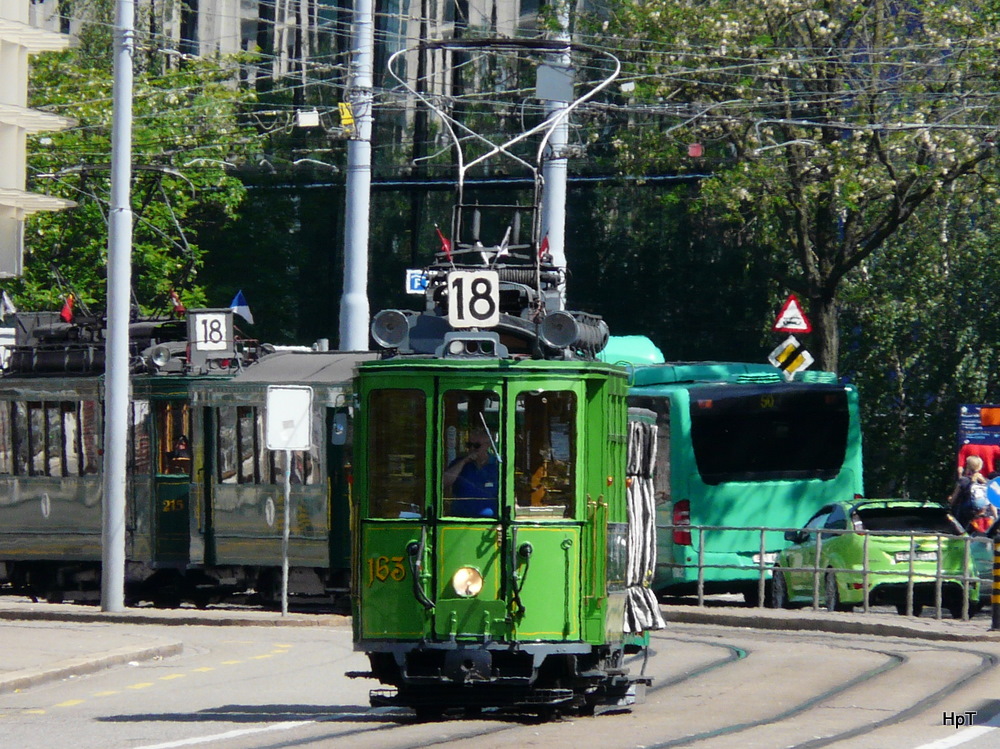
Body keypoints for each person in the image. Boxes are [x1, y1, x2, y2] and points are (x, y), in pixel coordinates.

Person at [443, 428, 498, 517]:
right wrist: (463, 462)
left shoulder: (496, 465)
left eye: (476, 445)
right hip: (460, 520)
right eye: (469, 445)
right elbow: (443, 483)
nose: (472, 448)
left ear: (488, 445)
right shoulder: (458, 463)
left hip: (491, 522)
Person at [950, 455, 989, 528]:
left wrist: (950, 500)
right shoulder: (986, 482)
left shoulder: (964, 481)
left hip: (965, 516)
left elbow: (953, 500)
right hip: (983, 515)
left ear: (968, 466)